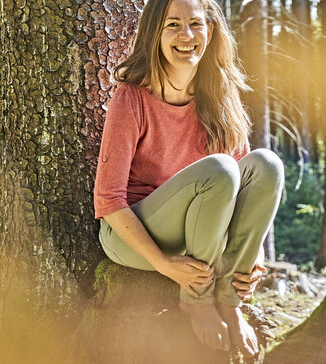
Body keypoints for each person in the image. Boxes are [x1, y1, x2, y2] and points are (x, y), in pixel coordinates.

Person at [93, 0, 284, 358]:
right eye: (173, 25)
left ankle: (229, 300)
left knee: (267, 164)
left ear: (210, 32)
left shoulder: (221, 96)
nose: (186, 35)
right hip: (132, 235)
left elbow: (248, 187)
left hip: (199, 236)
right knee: (220, 169)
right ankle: (197, 302)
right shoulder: (131, 98)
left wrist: (252, 256)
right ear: (154, 33)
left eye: (196, 23)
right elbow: (108, 200)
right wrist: (164, 264)